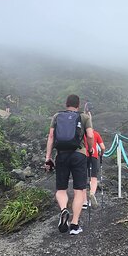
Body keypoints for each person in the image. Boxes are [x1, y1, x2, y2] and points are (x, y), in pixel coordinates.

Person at [44, 94, 95, 235]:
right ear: (78, 105)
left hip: (62, 155)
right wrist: (90, 149)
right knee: (79, 190)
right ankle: (74, 225)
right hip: (79, 155)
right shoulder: (84, 117)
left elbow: (51, 137)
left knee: (61, 189)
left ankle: (63, 210)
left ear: (66, 104)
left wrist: (48, 158)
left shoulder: (56, 116)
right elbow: (90, 135)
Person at [83, 127, 106, 209]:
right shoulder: (96, 134)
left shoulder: (82, 134)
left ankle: (84, 202)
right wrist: (101, 153)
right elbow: (102, 147)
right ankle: (92, 193)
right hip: (94, 156)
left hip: (83, 156)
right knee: (94, 177)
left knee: (83, 178)